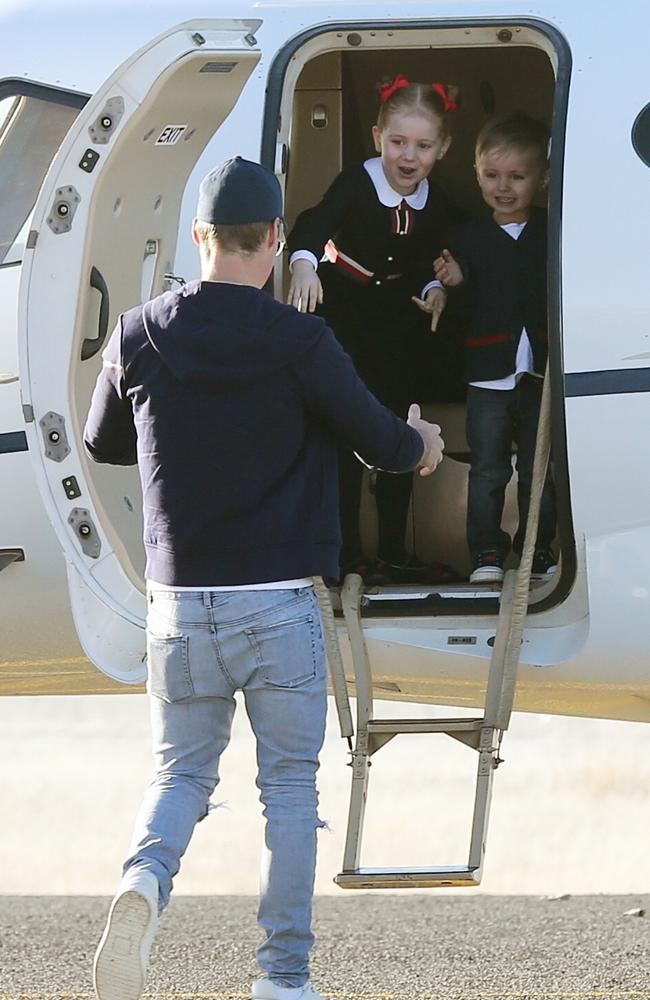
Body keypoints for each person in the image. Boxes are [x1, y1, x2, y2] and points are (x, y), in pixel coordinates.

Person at [84, 156, 445, 1000]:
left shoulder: (138, 332)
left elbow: (104, 440)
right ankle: (282, 980)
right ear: (277, 241)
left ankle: (143, 881)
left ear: (201, 238)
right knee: (286, 789)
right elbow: (380, 442)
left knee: (179, 777)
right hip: (278, 605)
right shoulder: (302, 339)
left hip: (178, 605)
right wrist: (423, 444)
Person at [287, 73, 460, 586]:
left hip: (397, 324)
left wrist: (438, 287)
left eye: (423, 146)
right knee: (342, 432)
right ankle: (346, 555)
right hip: (344, 315)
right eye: (397, 142)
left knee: (400, 428)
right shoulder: (357, 182)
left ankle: (393, 550)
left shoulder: (439, 199)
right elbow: (313, 225)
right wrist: (303, 264)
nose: (408, 156)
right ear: (376, 137)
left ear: (443, 148)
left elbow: (441, 254)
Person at [434, 112, 557, 584]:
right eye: (492, 175)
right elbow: (459, 312)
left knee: (539, 469)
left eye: (517, 177)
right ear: (476, 175)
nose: (503, 187)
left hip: (542, 372)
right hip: (488, 372)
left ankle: (536, 550)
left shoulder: (554, 233)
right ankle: (486, 551)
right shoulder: (465, 239)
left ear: (542, 179)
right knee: (487, 470)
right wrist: (455, 284)